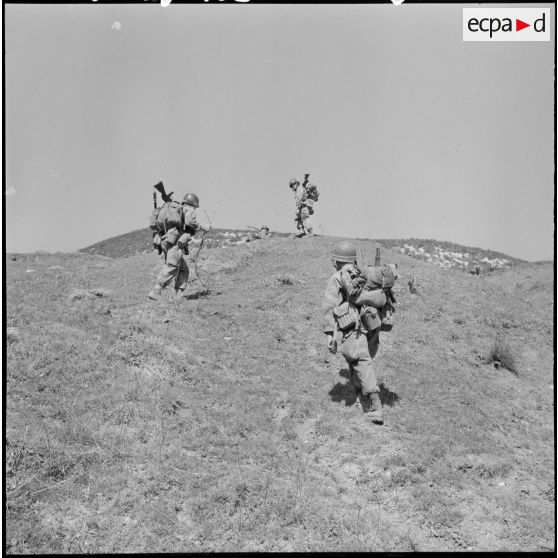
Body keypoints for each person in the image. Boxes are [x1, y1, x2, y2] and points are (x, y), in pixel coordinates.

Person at [321, 241, 384, 424]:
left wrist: (329, 334)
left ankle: (376, 407)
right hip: (371, 323)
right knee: (358, 360)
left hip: (353, 327)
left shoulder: (337, 277)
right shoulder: (362, 273)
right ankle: (360, 396)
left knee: (361, 361)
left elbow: (329, 306)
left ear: (336, 261)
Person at [147, 193, 211, 300]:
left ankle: (177, 295)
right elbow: (191, 222)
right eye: (195, 206)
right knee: (172, 265)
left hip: (166, 241)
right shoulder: (188, 210)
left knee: (183, 269)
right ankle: (156, 290)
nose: (195, 208)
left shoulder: (176, 211)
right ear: (192, 204)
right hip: (174, 242)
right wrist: (203, 227)